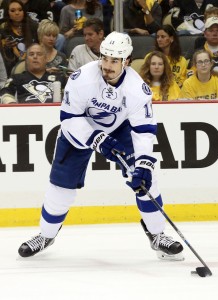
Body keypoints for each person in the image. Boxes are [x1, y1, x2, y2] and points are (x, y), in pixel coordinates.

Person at [17, 31, 184, 261]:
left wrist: (143, 162)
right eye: (105, 58)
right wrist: (96, 138)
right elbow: (68, 118)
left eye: (114, 60)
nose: (107, 65)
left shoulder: (137, 89)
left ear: (126, 61)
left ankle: (157, 234)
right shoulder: (82, 78)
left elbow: (143, 130)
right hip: (79, 129)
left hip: (120, 128)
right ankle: (46, 235)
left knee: (146, 178)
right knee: (61, 189)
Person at [0, 43, 66, 104]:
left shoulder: (59, 78)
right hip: (25, 114)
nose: (35, 57)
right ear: (26, 59)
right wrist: (13, 106)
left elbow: (71, 97)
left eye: (39, 54)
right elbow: (4, 93)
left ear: (45, 59)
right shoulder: (16, 78)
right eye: (31, 54)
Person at [0, 0, 38, 76]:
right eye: (13, 11)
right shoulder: (4, 29)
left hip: (33, 62)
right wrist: (6, 46)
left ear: (24, 11)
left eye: (20, 10)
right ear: (8, 13)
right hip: (12, 64)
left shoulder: (33, 26)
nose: (17, 13)